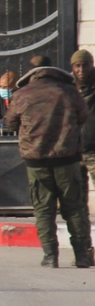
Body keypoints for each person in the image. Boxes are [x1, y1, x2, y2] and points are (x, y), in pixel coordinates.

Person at [5, 64, 92, 268]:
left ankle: (50, 256)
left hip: (36, 161)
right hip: (67, 159)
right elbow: (83, 117)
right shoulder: (69, 91)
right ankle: (81, 255)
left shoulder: (22, 94)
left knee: (43, 208)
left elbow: (10, 122)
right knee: (75, 207)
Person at [69, 49, 95, 266]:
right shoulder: (67, 88)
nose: (81, 70)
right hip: (75, 152)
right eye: (77, 66)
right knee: (78, 204)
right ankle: (84, 252)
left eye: (85, 65)